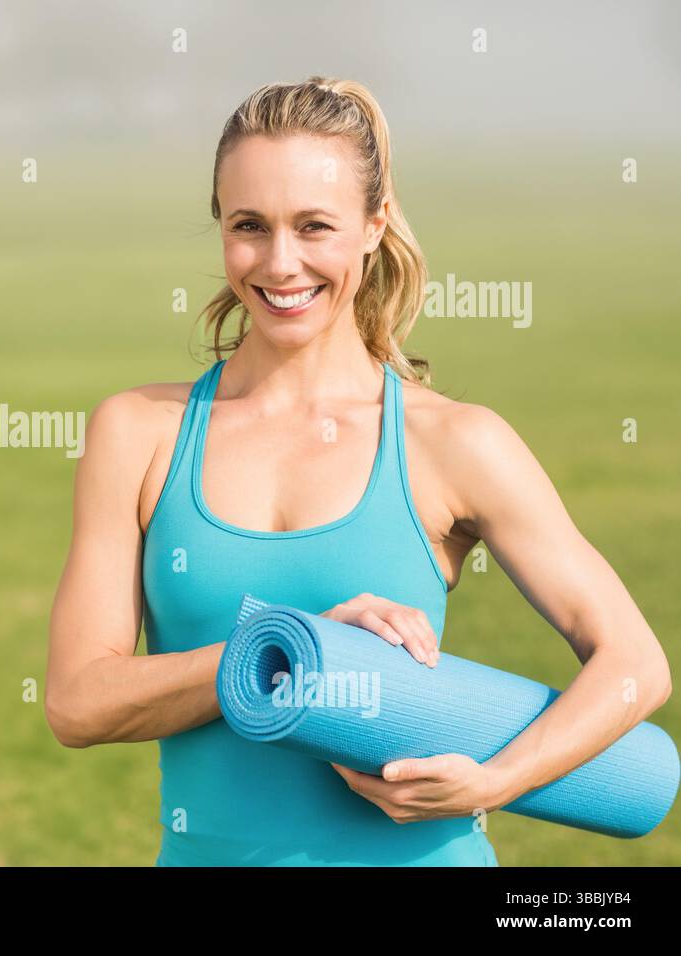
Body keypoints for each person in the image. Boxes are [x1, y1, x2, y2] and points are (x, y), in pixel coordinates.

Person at [44, 75, 672, 866]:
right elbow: (74, 703)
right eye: (249, 226)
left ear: (374, 225)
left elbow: (635, 665)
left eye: (315, 226)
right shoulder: (138, 433)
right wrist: (287, 646)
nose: (280, 264)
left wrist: (496, 781)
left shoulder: (453, 441)